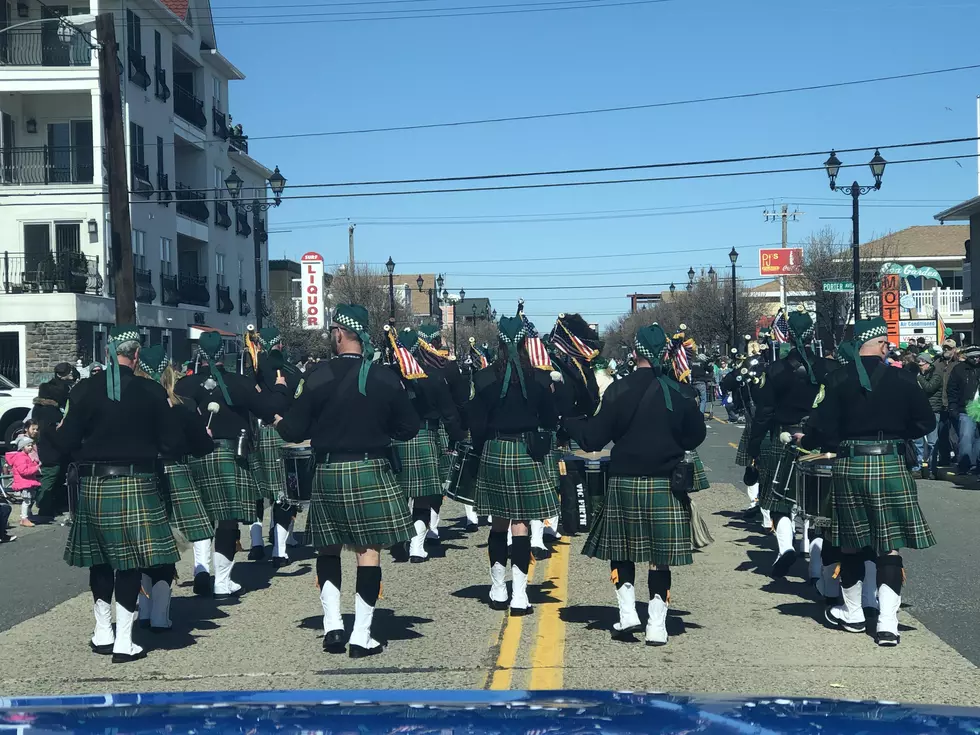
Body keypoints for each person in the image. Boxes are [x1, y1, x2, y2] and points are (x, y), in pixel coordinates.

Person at [276, 305, 419, 657]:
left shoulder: (318, 376)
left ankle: (332, 627)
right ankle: (362, 635)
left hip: (326, 471)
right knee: (367, 553)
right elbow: (410, 428)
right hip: (370, 468)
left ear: (339, 334)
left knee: (328, 548)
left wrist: (279, 415)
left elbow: (293, 430)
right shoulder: (385, 378)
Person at [566, 324, 706, 646]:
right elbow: (696, 436)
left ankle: (628, 613)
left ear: (635, 353)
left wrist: (570, 421)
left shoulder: (618, 390)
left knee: (622, 551)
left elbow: (592, 440)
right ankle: (657, 625)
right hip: (665, 485)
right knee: (660, 558)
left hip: (625, 481)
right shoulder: (680, 392)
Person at [801, 317, 935, 646]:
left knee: (850, 543)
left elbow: (822, 428)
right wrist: (897, 436)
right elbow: (926, 421)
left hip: (850, 464)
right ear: (882, 344)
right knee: (888, 546)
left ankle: (854, 614)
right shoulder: (904, 378)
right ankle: (888, 622)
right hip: (889, 463)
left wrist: (827, 440)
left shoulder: (837, 378)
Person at [53, 326, 182, 662]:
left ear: (108, 354)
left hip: (94, 483)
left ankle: (102, 632)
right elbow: (172, 443)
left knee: (99, 561)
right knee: (128, 563)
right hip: (136, 481)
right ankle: (124, 639)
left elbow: (65, 442)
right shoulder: (150, 390)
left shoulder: (85, 389)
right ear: (136, 355)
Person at [176, 333, 288, 597]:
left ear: (198, 353)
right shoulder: (239, 383)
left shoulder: (184, 386)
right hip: (230, 454)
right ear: (224, 354)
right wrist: (281, 388)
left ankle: (201, 569)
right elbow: (267, 411)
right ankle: (222, 582)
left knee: (201, 517)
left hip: (194, 455)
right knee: (226, 521)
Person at [468, 315, 559, 616]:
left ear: (499, 344)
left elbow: (476, 424)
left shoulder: (482, 379)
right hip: (525, 451)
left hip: (495, 450)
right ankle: (519, 595)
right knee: (520, 525)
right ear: (523, 343)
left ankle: (497, 589)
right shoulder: (540, 379)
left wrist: (483, 451)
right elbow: (549, 420)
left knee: (499, 524)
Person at [748, 308, 833, 577]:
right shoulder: (829, 368)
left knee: (780, 501)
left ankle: (786, 548)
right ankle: (816, 569)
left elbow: (764, 413)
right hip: (818, 439)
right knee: (818, 507)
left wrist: (754, 447)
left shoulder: (775, 369)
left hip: (783, 437)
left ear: (788, 336)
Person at [134, 346, 214, 628]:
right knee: (165, 546)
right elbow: (203, 447)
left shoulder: (128, 403)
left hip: (138, 475)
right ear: (171, 375)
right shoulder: (185, 406)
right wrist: (203, 436)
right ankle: (158, 615)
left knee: (143, 545)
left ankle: (144, 611)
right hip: (173, 472)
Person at [390, 327, 465, 562]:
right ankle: (416, 547)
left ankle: (401, 540)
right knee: (422, 496)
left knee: (398, 495)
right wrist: (458, 437)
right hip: (424, 436)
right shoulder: (433, 377)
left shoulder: (387, 377)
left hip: (395, 439)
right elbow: (449, 413)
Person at [248, 327, 302, 565]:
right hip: (282, 433)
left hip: (254, 434)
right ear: (280, 345)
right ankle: (279, 550)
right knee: (283, 493)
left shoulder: (251, 371)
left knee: (257, 491)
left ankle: (257, 543)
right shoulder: (293, 373)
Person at [416, 322, 469, 537]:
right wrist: (461, 429)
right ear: (437, 342)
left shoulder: (408, 366)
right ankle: (432, 528)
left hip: (416, 430)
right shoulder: (448, 367)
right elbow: (460, 401)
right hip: (444, 428)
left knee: (416, 485)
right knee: (437, 483)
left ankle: (417, 530)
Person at [946, 345, 980, 475]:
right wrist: (953, 408)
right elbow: (952, 390)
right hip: (965, 410)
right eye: (974, 357)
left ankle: (977, 465)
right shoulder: (959, 369)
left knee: (978, 439)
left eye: (978, 356)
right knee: (966, 437)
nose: (977, 359)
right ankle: (965, 464)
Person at [932, 338, 960, 473]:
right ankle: (944, 458)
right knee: (941, 433)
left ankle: (961, 459)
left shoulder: (959, 365)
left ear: (954, 349)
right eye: (945, 348)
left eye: (949, 348)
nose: (946, 351)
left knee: (956, 434)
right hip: (940, 404)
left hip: (955, 404)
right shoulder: (936, 363)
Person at [915, 353, 942, 479]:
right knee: (918, 440)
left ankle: (932, 468)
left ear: (928, 363)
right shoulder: (921, 375)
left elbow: (929, 388)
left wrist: (919, 378)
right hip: (920, 410)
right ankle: (917, 468)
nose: (920, 367)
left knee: (932, 441)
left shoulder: (936, 375)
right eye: (919, 365)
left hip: (933, 410)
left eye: (922, 364)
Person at [5, 435, 40, 527]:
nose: (31, 447)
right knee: (27, 501)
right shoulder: (21, 457)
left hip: (26, 482)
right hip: (24, 482)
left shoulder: (25, 456)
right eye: (28, 445)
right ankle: (24, 518)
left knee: (29, 500)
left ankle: (27, 516)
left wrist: (34, 464)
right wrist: (36, 468)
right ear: (22, 447)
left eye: (31, 445)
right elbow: (24, 471)